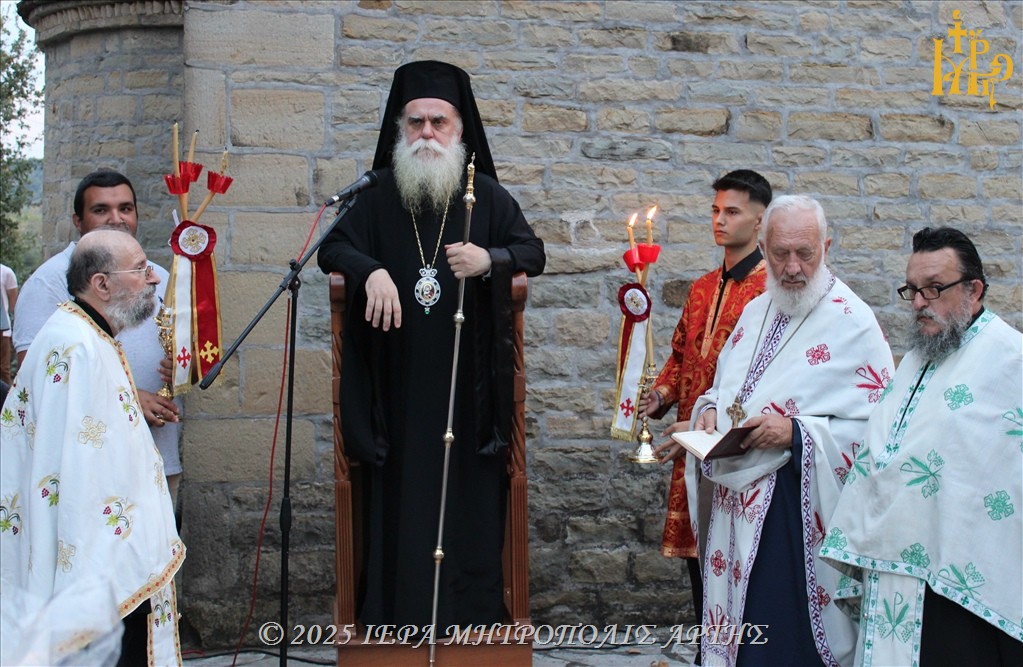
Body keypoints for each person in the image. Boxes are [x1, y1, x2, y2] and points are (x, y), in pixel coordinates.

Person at [317, 60, 545, 630]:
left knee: (468, 507)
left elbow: (533, 252)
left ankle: (471, 624)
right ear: (399, 128)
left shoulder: (486, 198)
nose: (426, 133)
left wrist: (490, 258)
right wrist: (368, 269)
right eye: (415, 122)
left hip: (469, 394)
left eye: (438, 122)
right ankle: (396, 624)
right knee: (401, 510)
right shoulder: (374, 198)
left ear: (460, 130)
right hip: (396, 391)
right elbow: (331, 250)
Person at [690, 195, 894, 666]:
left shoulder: (852, 322)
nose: (793, 267)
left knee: (777, 637)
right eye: (780, 253)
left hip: (793, 510)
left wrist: (798, 433)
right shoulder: (756, 311)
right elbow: (725, 389)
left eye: (806, 253)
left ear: (826, 246)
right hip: (733, 506)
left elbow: (879, 429)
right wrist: (707, 411)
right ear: (763, 247)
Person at [821, 227, 1023, 666]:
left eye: (934, 289)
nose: (918, 303)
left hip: (964, 580)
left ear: (974, 289)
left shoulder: (1010, 359)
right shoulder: (919, 357)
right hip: (895, 568)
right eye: (912, 289)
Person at [0, 229, 185, 666]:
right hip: (98, 564)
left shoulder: (88, 334)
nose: (154, 279)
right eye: (141, 270)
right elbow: (78, 469)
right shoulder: (76, 345)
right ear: (102, 284)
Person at [641, 170, 772, 639]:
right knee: (700, 564)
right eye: (715, 210)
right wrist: (660, 395)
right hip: (691, 448)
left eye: (732, 212)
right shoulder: (700, 289)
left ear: (759, 221)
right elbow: (681, 355)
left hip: (740, 449)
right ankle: (708, 650)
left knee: (741, 560)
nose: (719, 220)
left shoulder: (771, 292)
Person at [12, 170, 184, 504]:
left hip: (153, 452)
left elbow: (180, 348)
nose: (115, 219)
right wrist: (131, 396)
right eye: (101, 210)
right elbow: (37, 376)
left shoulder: (159, 277)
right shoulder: (48, 281)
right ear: (78, 219)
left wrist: (182, 366)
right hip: (84, 465)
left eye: (125, 208)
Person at [0, 262, 17, 384]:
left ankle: (7, 401)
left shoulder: (6, 272)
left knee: (3, 368)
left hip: (3, 328)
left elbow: (13, 304)